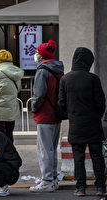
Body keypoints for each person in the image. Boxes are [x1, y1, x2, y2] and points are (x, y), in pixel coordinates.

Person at [58, 47, 106, 196]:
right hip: (93, 125)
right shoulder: (93, 79)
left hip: (76, 125)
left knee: (78, 157)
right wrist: (95, 116)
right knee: (97, 156)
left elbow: (61, 103)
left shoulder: (65, 79)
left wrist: (70, 115)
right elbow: (101, 103)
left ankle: (80, 188)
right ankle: (100, 187)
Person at [30, 40, 64, 192]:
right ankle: (53, 178)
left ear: (42, 55)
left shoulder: (42, 71)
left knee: (44, 149)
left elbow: (39, 95)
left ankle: (47, 181)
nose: (35, 55)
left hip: (45, 114)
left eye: (37, 53)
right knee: (51, 148)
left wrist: (33, 108)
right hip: (56, 114)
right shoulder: (58, 69)